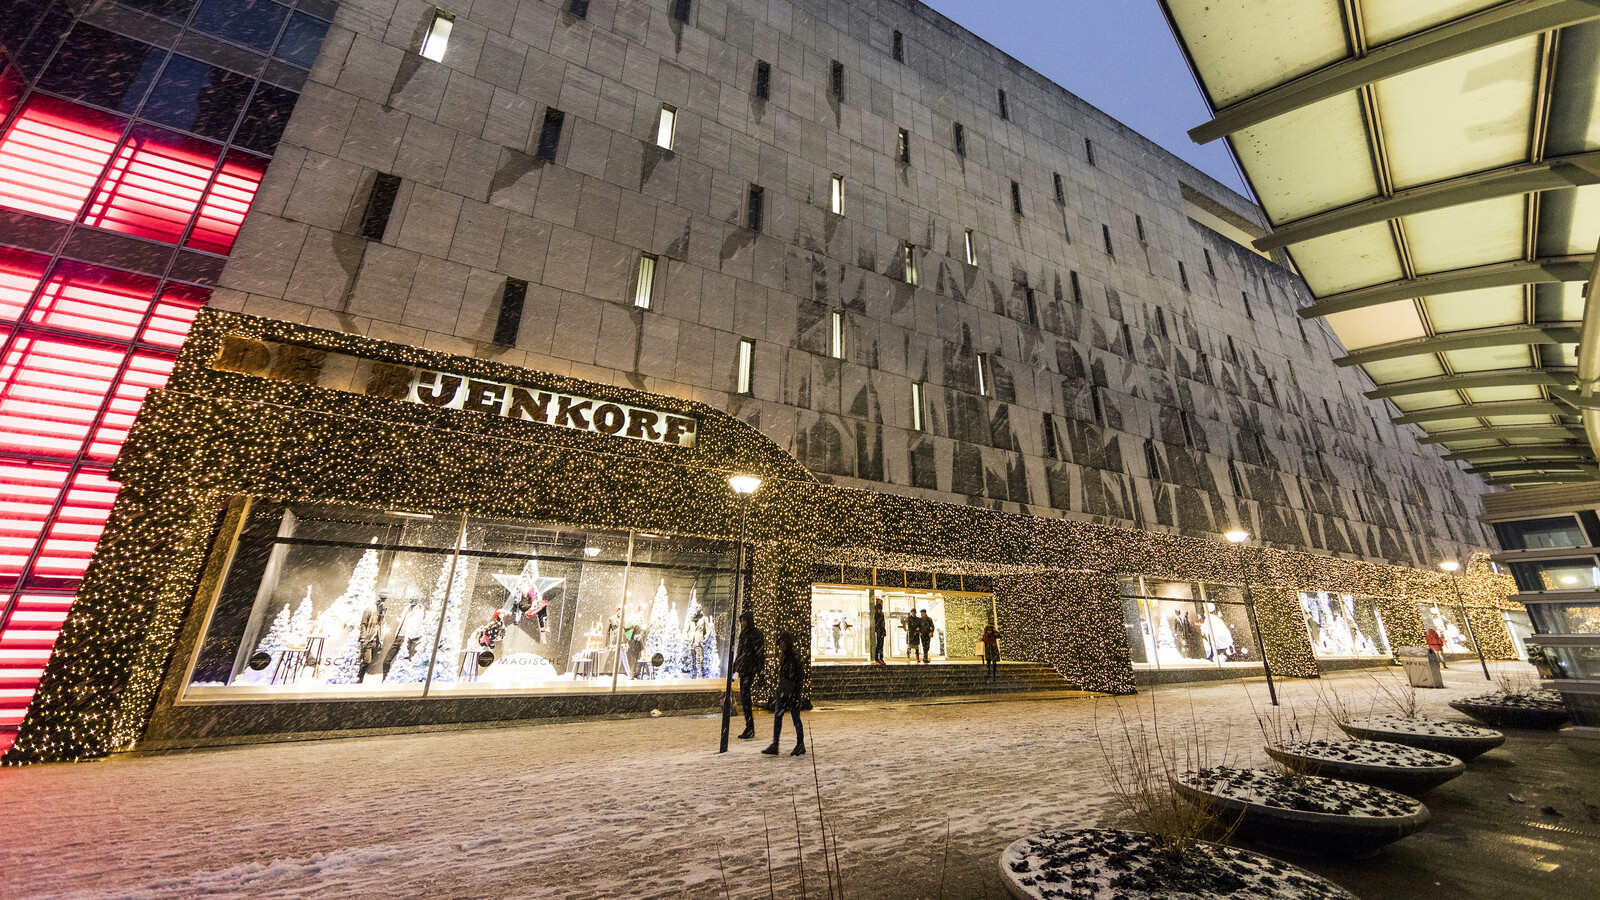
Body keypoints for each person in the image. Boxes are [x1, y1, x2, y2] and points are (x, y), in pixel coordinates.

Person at [763, 631, 805, 756]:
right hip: (784, 690)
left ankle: (800, 744)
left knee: (795, 718)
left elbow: (800, 676)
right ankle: (776, 744)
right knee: (778, 717)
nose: (780, 645)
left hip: (791, 691)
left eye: (782, 642)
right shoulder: (784, 657)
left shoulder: (794, 657)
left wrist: (796, 692)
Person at [732, 610, 765, 739]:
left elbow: (759, 654)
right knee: (744, 697)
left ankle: (750, 727)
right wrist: (736, 666)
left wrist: (760, 672)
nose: (742, 623)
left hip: (749, 669)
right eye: (742, 621)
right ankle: (749, 726)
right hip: (744, 668)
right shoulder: (744, 634)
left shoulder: (755, 634)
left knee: (745, 696)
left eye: (744, 620)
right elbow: (740, 651)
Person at [871, 598, 887, 665]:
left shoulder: (877, 611)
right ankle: (879, 658)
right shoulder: (879, 610)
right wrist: (881, 630)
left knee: (879, 645)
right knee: (880, 645)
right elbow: (880, 622)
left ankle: (878, 658)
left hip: (879, 630)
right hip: (880, 630)